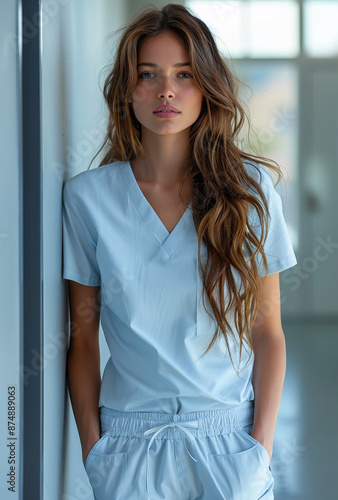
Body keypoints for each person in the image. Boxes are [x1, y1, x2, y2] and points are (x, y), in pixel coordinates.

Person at [62, 3, 297, 499]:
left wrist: (260, 450)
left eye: (183, 74)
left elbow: (267, 333)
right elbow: (81, 340)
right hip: (128, 450)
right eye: (148, 75)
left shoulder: (250, 192)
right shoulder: (88, 198)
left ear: (206, 86)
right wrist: (94, 452)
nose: (166, 90)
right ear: (127, 90)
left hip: (229, 447)